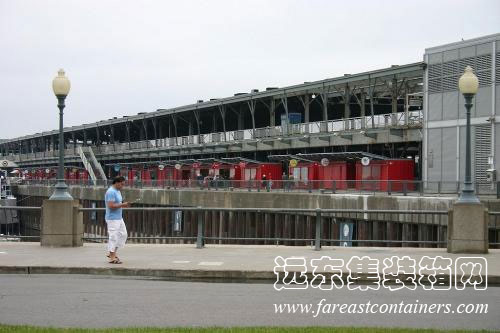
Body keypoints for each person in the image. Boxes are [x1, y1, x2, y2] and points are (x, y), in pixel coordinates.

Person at [105, 176, 130, 264]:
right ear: (117, 182)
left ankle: (112, 252)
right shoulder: (111, 192)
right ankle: (112, 257)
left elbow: (118, 203)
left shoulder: (118, 191)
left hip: (119, 217)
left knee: (123, 235)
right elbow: (111, 206)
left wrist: (123, 204)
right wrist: (123, 205)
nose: (123, 186)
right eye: (122, 184)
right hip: (112, 218)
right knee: (113, 236)